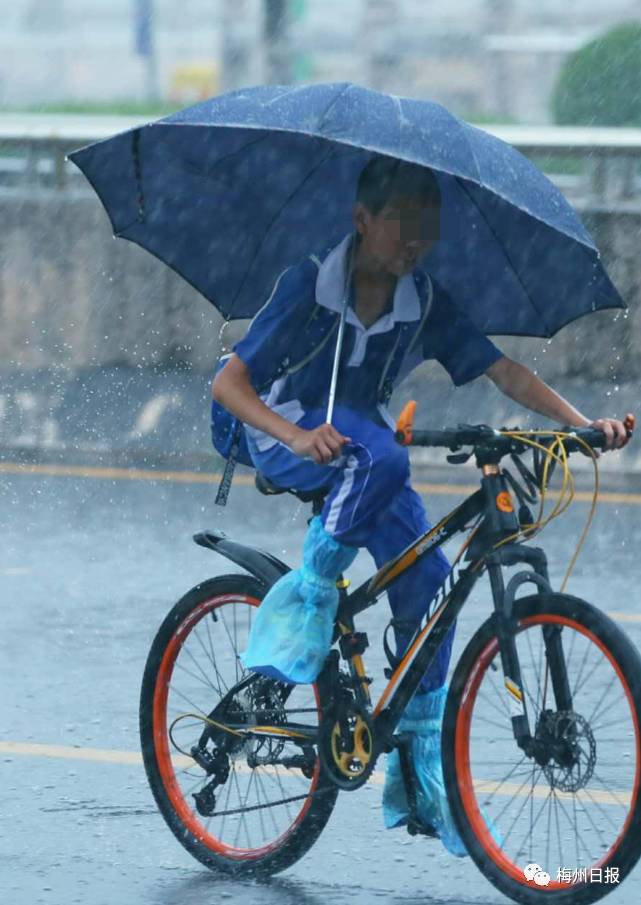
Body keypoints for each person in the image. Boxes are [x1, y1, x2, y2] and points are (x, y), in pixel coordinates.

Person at [211, 155, 629, 854]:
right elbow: (230, 384)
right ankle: (307, 604)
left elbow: (501, 368)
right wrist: (297, 433)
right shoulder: (308, 286)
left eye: (424, 229)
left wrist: (578, 423)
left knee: (433, 586)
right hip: (275, 429)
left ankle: (413, 766)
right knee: (383, 455)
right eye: (400, 225)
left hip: (360, 449)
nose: (412, 243)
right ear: (361, 220)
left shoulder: (421, 299)